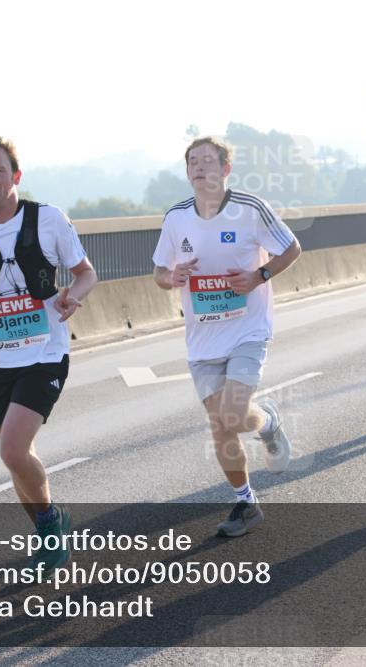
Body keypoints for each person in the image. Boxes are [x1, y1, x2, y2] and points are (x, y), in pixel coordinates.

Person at [0, 136, 97, 570]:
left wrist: (73, 297)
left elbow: (85, 273)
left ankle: (49, 527)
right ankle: (49, 528)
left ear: (16, 176)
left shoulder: (48, 220)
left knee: (11, 451)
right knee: (17, 459)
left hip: (45, 353)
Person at [152, 137, 301, 536]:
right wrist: (173, 277)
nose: (199, 168)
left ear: (225, 169)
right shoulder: (176, 218)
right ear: (188, 173)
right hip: (202, 341)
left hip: (247, 331)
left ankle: (268, 421)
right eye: (193, 163)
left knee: (233, 415)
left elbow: (291, 248)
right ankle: (245, 503)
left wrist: (259, 276)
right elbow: (159, 272)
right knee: (220, 425)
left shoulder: (250, 209)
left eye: (208, 161)